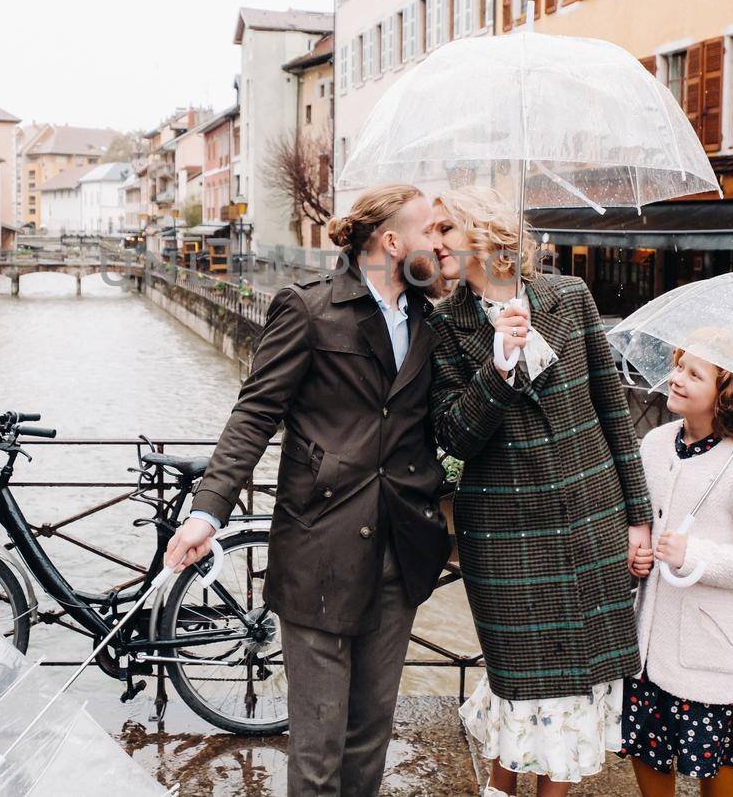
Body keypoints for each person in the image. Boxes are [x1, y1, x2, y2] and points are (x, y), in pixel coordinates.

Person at [161, 183, 452, 797]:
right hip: (321, 550)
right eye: (432, 230)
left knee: (370, 738)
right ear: (393, 242)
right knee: (317, 750)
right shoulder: (310, 308)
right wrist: (208, 512)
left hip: (399, 551)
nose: (441, 243)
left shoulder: (432, 319)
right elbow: (254, 414)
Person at [425, 186, 653, 797]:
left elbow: (614, 411)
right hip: (506, 539)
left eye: (445, 227)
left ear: (484, 233)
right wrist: (498, 367)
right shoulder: (444, 325)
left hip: (588, 523)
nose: (434, 240)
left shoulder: (569, 297)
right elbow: (454, 436)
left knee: (574, 690)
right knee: (520, 687)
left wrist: (639, 518)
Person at [624, 343, 733, 797]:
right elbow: (640, 520)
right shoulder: (655, 444)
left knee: (711, 761)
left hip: (713, 651)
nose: (676, 378)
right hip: (649, 644)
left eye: (694, 374)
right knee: (646, 748)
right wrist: (638, 549)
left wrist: (694, 555)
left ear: (726, 394)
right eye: (679, 367)